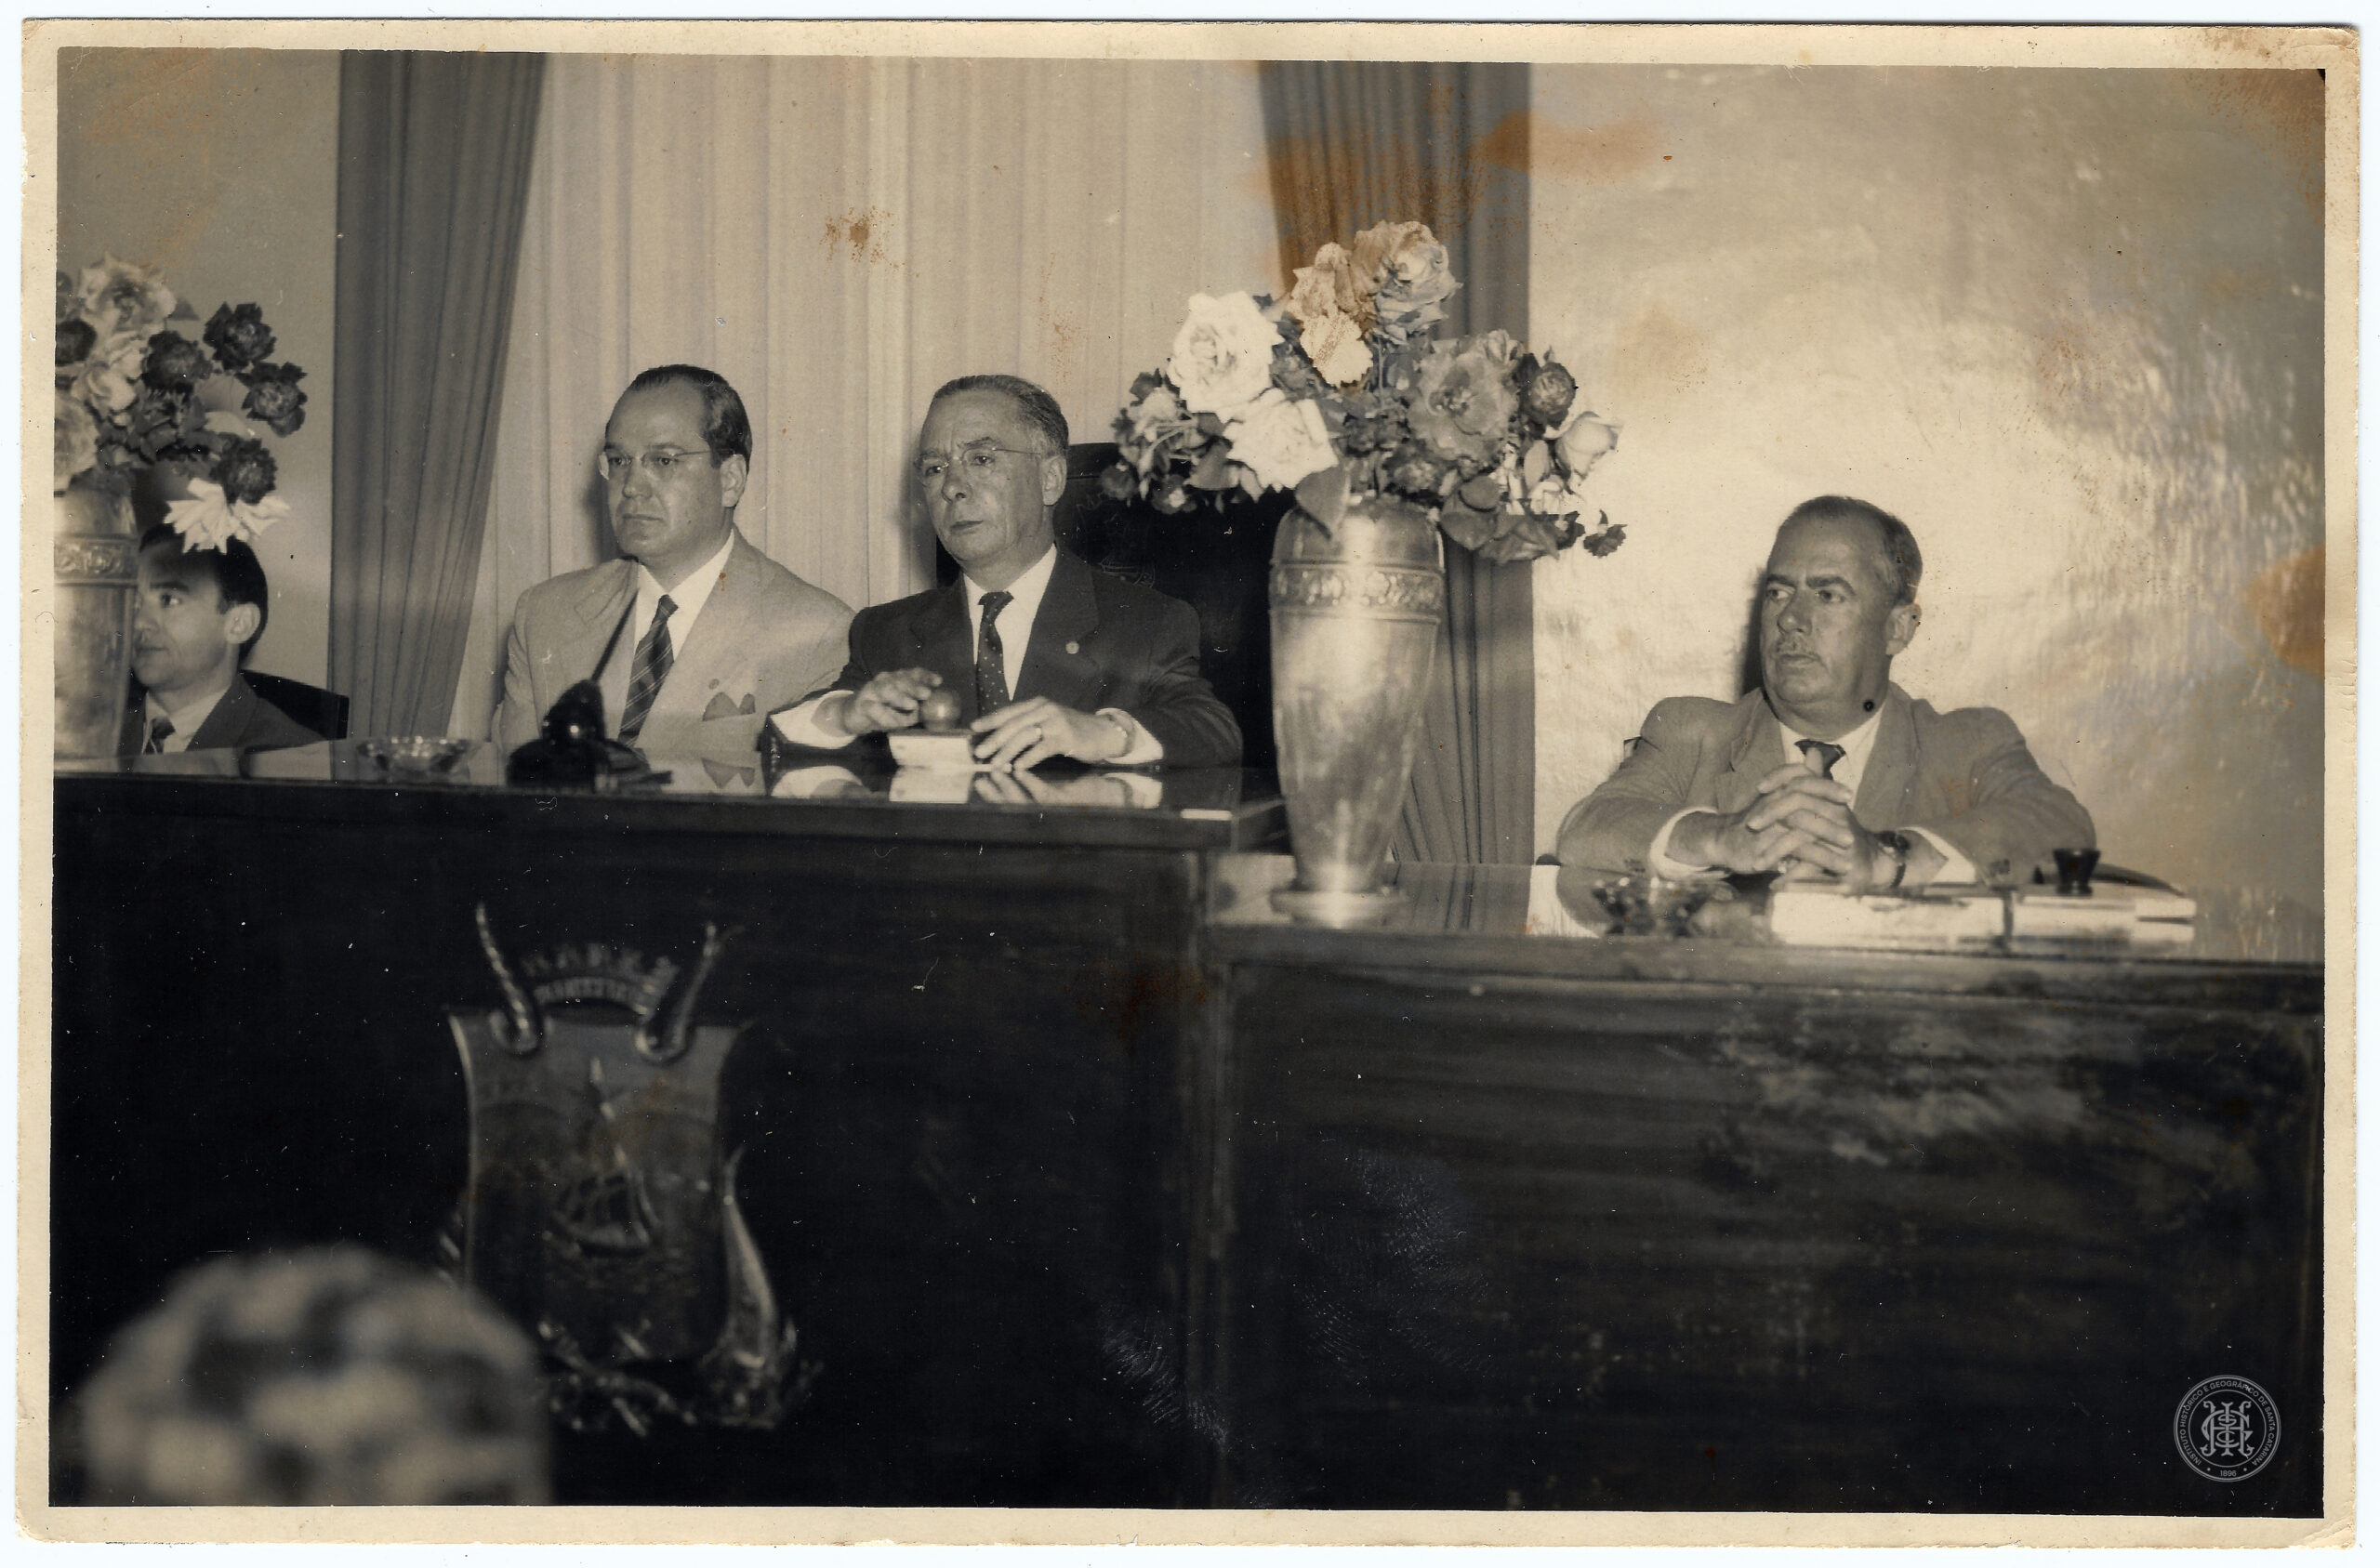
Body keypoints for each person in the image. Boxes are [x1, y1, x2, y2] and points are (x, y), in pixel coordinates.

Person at [1556, 495, 2093, 890]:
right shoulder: (1691, 733)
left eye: (1828, 595)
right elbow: (1588, 827)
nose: (1790, 618)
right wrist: (1719, 837)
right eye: (1778, 592)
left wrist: (1884, 858)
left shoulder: (1966, 743)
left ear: (1897, 629)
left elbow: (2063, 825)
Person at [771, 374, 1240, 770]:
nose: (952, 487)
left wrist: (1105, 733)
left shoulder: (1148, 622)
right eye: (934, 468)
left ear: (1051, 479)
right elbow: (780, 739)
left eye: (981, 459)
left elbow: (1215, 731)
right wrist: (845, 715)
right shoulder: (885, 631)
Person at [493, 364, 852, 759]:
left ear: (730, 480)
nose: (631, 487)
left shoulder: (819, 633)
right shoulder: (543, 616)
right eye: (619, 461)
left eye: (663, 461)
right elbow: (511, 787)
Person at [117, 524, 317, 755]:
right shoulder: (97, 737)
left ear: (239, 624)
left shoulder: (292, 756)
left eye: (169, 600)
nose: (138, 622)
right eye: (133, 603)